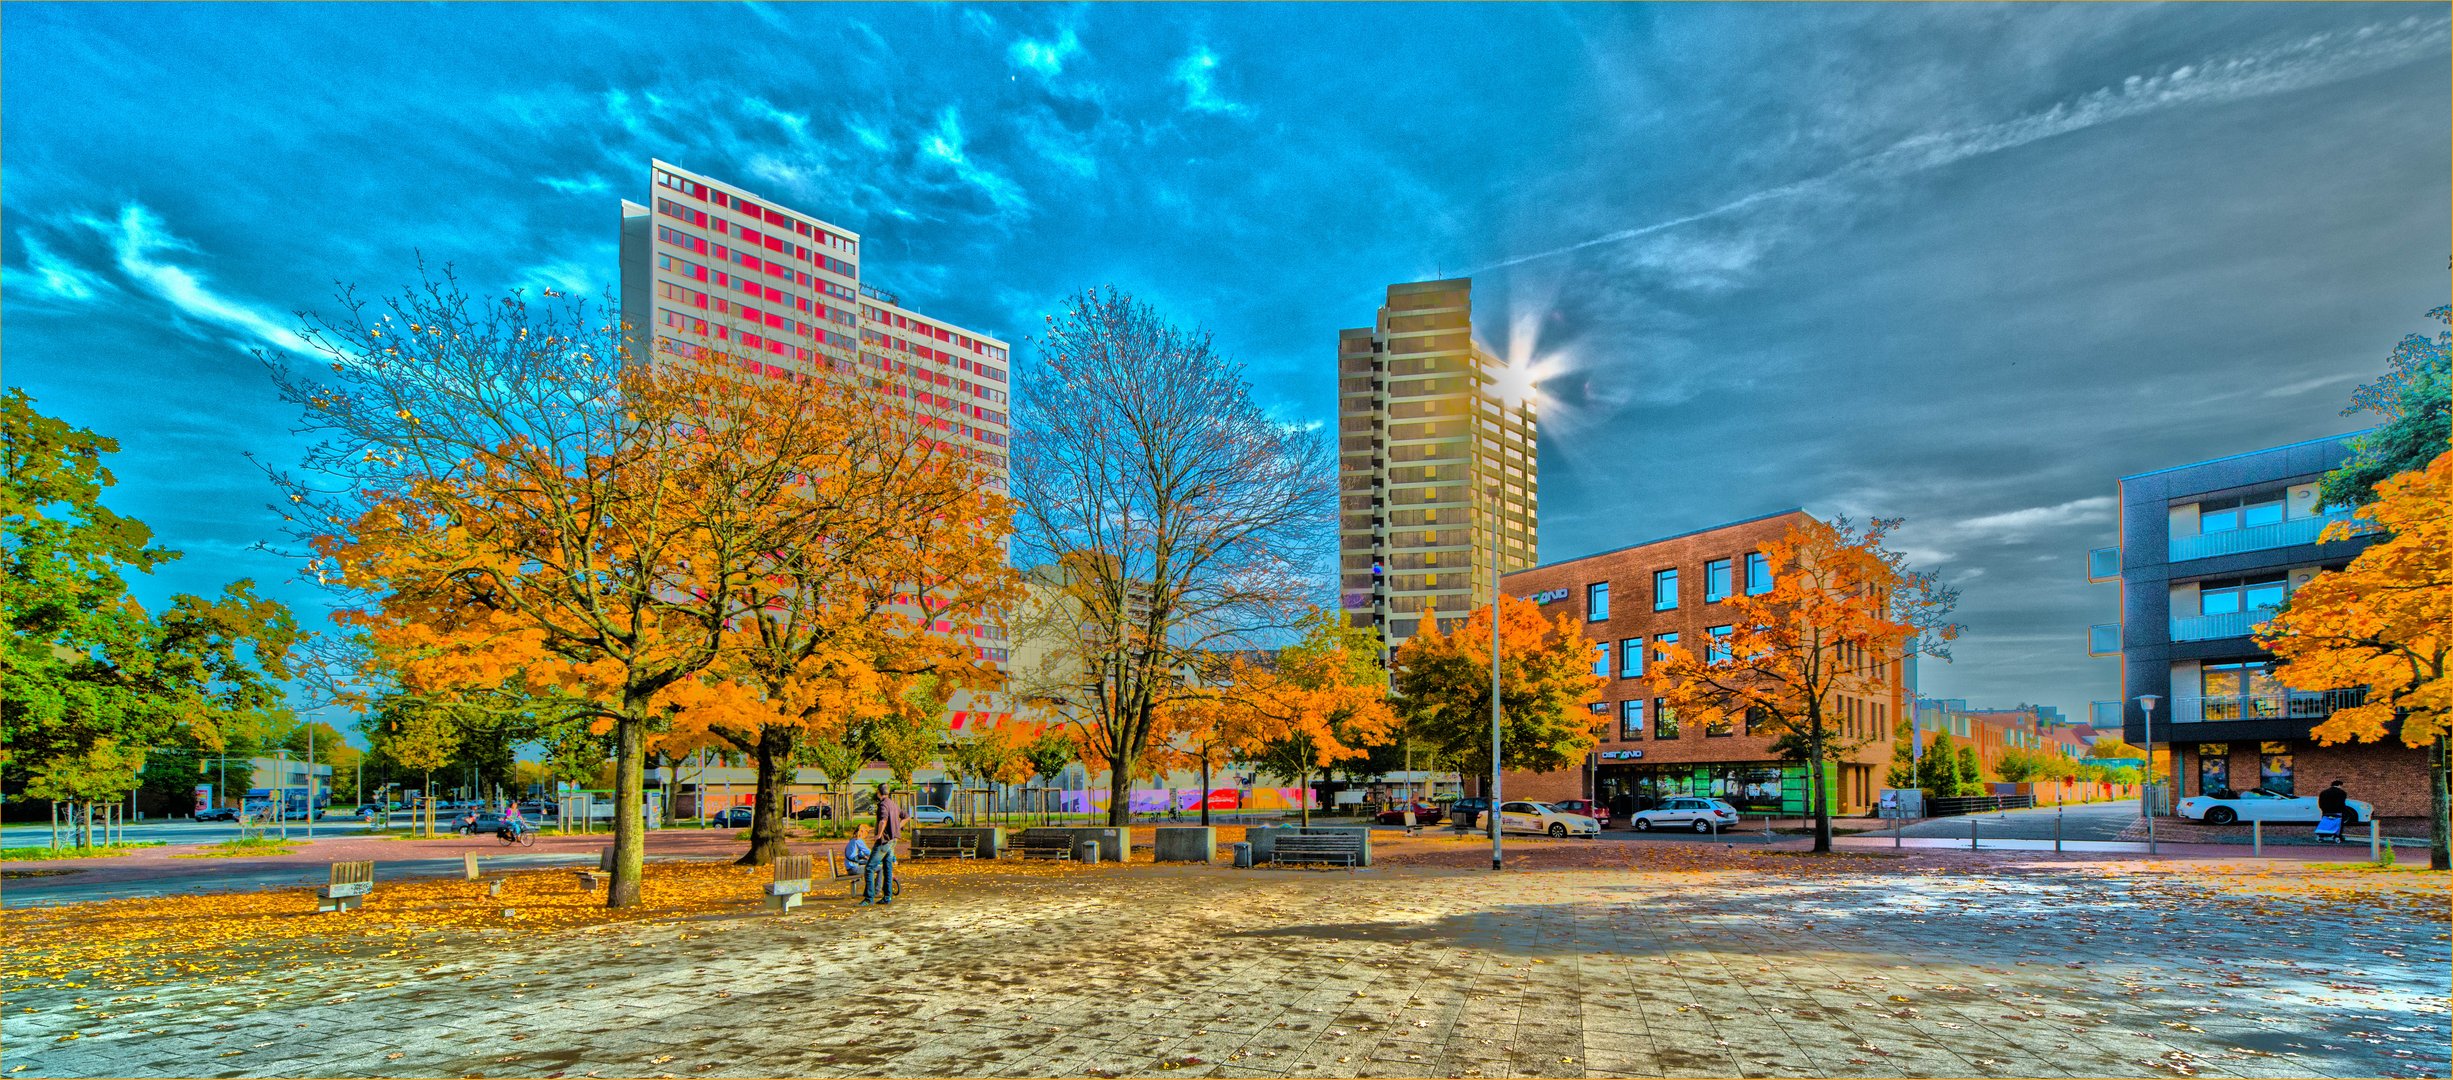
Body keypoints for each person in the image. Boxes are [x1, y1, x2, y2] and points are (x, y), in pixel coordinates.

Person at [865, 785, 905, 906]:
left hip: (884, 841)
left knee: (869, 868)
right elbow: (907, 816)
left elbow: (883, 820)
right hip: (893, 840)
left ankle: (869, 898)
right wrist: (898, 826)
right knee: (888, 867)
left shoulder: (883, 805)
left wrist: (878, 834)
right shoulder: (893, 804)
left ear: (878, 792)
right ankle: (887, 897)